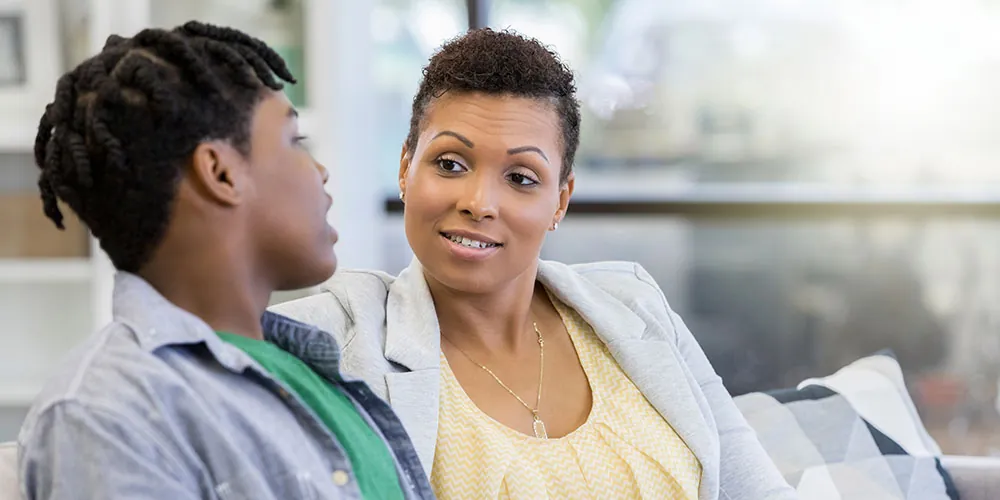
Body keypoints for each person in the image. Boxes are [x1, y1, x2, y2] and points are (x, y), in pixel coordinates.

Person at [273, 28, 796, 499]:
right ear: (407, 167)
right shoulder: (339, 340)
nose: (480, 202)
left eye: (521, 177)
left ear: (561, 201)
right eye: (450, 163)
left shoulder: (636, 309)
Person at [18, 22, 433, 500]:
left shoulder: (312, 368)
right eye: (294, 142)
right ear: (220, 172)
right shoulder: (106, 412)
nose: (320, 171)